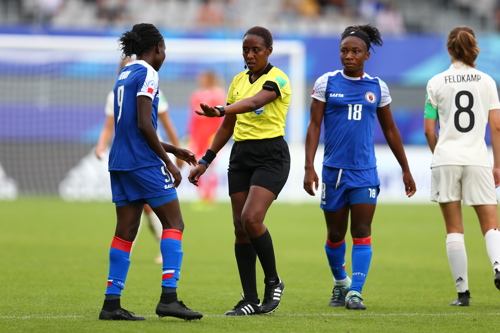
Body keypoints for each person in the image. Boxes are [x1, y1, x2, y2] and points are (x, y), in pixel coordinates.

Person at [303, 24, 416, 311]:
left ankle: (356, 291)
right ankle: (341, 282)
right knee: (335, 235)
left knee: (362, 230)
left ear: (367, 55)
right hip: (334, 172)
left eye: (355, 51)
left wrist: (405, 168)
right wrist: (309, 166)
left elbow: (390, 129)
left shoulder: (377, 87)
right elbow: (314, 125)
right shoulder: (326, 83)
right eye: (344, 51)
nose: (349, 56)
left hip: (365, 171)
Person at [98, 23, 203, 321]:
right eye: (164, 49)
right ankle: (169, 297)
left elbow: (132, 125)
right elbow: (145, 124)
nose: (165, 54)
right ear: (156, 48)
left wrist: (175, 149)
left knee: (126, 231)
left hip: (119, 161)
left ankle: (111, 303)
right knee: (174, 222)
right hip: (142, 162)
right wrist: (168, 162)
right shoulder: (148, 73)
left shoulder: (125, 72)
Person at [188, 26, 291, 316]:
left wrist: (223, 109)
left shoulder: (278, 79)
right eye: (245, 49)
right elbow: (228, 127)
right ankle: (249, 298)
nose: (249, 54)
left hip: (271, 156)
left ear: (269, 50)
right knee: (239, 227)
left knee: (251, 218)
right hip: (241, 155)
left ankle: (274, 280)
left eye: (256, 49)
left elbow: (257, 101)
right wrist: (205, 161)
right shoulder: (237, 81)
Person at [423, 26, 500, 306]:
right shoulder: (487, 81)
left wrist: (439, 152)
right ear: (473, 48)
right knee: (491, 225)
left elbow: (429, 130)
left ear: (449, 50)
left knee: (454, 228)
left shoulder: (435, 82)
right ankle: (498, 266)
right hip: (478, 159)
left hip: (446, 158)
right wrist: (498, 165)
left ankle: (463, 293)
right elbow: (496, 126)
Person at [96, 57, 183, 264]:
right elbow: (112, 126)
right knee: (163, 215)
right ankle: (169, 288)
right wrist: (101, 144)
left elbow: (165, 122)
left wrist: (175, 147)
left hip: (134, 156)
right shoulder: (143, 84)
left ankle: (117, 281)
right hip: (145, 156)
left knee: (138, 212)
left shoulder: (129, 90)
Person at [187, 70, 226, 207]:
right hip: (199, 136)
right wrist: (191, 135)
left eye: (202, 77)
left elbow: (220, 117)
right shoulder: (196, 95)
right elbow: (193, 118)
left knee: (212, 165)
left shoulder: (218, 94)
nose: (200, 79)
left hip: (212, 135)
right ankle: (201, 195)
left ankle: (211, 195)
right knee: (198, 164)